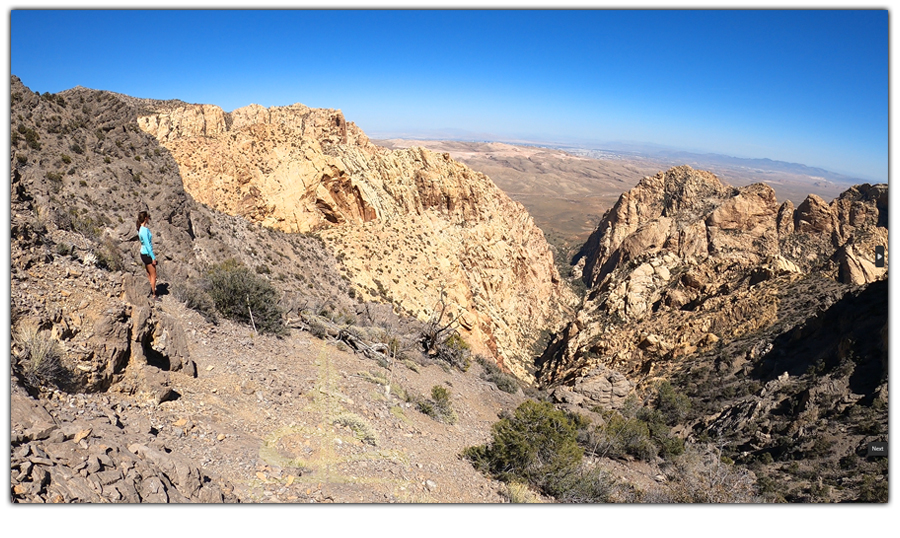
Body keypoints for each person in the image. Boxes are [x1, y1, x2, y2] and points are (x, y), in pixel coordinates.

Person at [136, 211, 159, 301]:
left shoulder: (140, 229)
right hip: (147, 254)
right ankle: (153, 295)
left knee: (149, 273)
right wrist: (153, 257)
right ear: (145, 218)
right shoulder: (144, 230)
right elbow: (148, 245)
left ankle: (150, 290)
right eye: (148, 217)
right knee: (153, 275)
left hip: (143, 253)